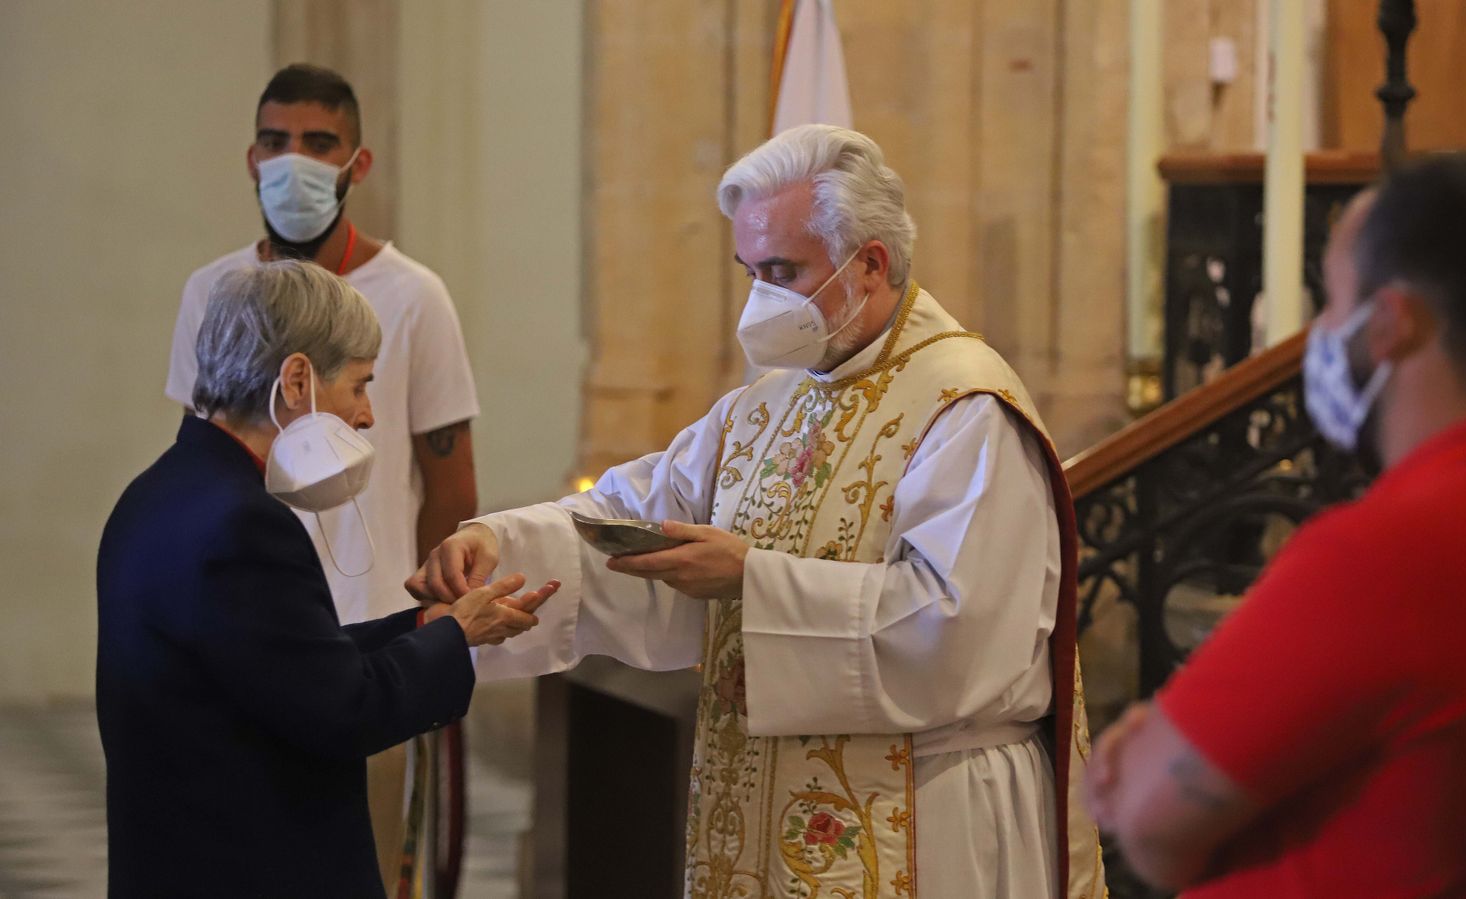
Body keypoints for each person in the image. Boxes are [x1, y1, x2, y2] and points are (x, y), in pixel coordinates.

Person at [409, 124, 1106, 899]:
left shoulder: (966, 408)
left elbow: (962, 633)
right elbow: (635, 513)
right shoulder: (774, 400)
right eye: (750, 271)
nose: (761, 299)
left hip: (928, 810)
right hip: (772, 802)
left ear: (869, 263)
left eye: (781, 270)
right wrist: (493, 543)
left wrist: (753, 578)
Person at [1087, 152, 1466, 897]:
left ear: (1391, 322)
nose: (1323, 334)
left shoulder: (1392, 551)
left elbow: (1150, 826)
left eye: (1332, 300)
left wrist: (1152, 760)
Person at [98, 260, 557, 898]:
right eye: (360, 385)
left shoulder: (156, 495)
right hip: (249, 866)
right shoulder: (243, 524)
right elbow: (344, 709)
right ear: (296, 380)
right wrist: (455, 636)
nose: (367, 416)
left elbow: (282, 664)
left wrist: (424, 625)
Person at [163, 63, 481, 889]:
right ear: (250, 156)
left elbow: (450, 483)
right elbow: (195, 457)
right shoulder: (215, 290)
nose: (292, 160)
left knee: (361, 864)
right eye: (275, 141)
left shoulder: (414, 297)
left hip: (365, 635)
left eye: (318, 142)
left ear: (356, 163)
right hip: (241, 632)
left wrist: (433, 619)